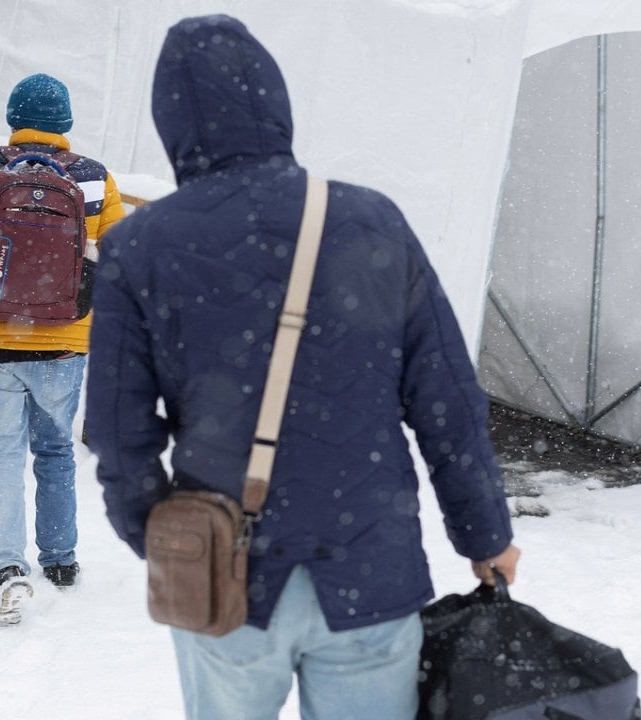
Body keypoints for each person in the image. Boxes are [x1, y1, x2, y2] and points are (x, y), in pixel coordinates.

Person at [84, 14, 520, 719]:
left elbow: (114, 429)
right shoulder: (372, 221)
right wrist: (486, 534)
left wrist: (166, 542)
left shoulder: (140, 246)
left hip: (223, 574)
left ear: (172, 123)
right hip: (370, 566)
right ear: (275, 101)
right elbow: (447, 399)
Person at [0, 73, 125, 626]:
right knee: (56, 451)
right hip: (63, 344)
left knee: (1, 456)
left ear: (14, 117)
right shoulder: (93, 178)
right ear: (65, 124)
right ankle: (59, 561)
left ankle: (8, 569)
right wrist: (73, 304)